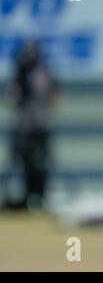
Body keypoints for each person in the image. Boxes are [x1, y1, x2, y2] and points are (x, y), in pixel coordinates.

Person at [3, 40, 59, 210]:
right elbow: (10, 98)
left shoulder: (42, 72)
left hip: (40, 127)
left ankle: (40, 196)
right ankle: (27, 196)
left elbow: (53, 97)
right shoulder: (18, 74)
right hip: (23, 127)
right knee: (24, 163)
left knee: (40, 163)